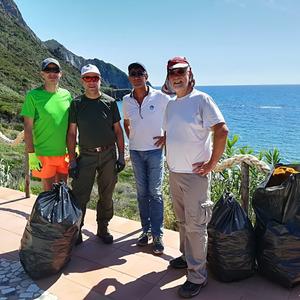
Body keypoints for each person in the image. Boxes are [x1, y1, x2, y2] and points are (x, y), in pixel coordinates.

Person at [162, 56, 229, 298]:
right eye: (172, 73)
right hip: (175, 173)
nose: (176, 76)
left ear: (190, 74)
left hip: (194, 176)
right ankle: (186, 257)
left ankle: (198, 276)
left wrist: (212, 164)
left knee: (196, 225)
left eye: (181, 72)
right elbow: (172, 133)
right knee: (183, 222)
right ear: (168, 78)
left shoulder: (202, 99)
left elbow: (222, 130)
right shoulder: (170, 104)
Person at [67, 64, 125, 245]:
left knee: (106, 194)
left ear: (100, 80)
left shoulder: (110, 102)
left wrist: (121, 156)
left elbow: (118, 131)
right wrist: (72, 161)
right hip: (86, 155)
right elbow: (71, 133)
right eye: (87, 78)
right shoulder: (76, 104)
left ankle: (103, 228)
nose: (91, 82)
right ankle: (77, 230)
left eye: (95, 78)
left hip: (108, 154)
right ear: (82, 81)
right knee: (80, 195)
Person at [123, 62, 170, 255]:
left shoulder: (161, 97)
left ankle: (158, 235)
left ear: (147, 76)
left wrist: (166, 136)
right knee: (142, 194)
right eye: (132, 74)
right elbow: (126, 122)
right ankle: (146, 231)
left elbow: (174, 117)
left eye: (139, 73)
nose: (136, 77)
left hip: (154, 152)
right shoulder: (126, 100)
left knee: (155, 193)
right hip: (135, 151)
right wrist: (132, 138)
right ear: (129, 77)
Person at [21, 58, 72, 191]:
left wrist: (74, 146)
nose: (52, 73)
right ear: (42, 74)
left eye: (55, 70)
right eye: (48, 70)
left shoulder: (66, 95)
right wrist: (31, 154)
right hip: (44, 154)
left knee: (63, 192)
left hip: (64, 153)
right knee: (48, 194)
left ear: (61, 73)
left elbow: (72, 124)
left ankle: (61, 213)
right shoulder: (33, 96)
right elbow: (28, 128)